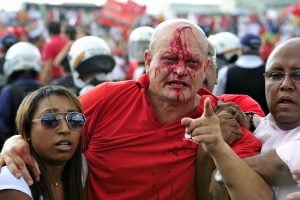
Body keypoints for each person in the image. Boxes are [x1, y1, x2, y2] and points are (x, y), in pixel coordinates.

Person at [0, 19, 270, 199]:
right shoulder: (106, 99)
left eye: (191, 62)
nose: (179, 70)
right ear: (148, 60)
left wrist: (215, 148)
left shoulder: (227, 116)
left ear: (206, 70)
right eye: (169, 58)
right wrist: (16, 142)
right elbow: (53, 130)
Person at [208, 37, 300, 199]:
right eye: (275, 75)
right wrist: (248, 122)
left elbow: (280, 166)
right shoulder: (262, 124)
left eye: (298, 75)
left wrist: (221, 174)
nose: (285, 84)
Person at [0, 85, 86, 200]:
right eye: (50, 120)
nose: (65, 129)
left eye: (75, 119)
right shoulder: (13, 178)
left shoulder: (81, 169)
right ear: (27, 129)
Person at [0, 42, 42, 149]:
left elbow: (2, 126)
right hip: (44, 152)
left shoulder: (8, 91)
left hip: (14, 151)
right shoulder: (47, 90)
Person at [213, 33, 268, 114]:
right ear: (259, 49)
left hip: (233, 124)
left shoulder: (225, 72)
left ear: (240, 49)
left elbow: (216, 100)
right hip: (263, 124)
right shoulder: (270, 72)